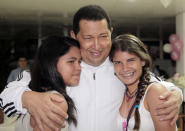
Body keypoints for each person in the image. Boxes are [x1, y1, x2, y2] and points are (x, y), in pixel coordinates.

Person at [0, 5, 182, 131]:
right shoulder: (60, 67)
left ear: (111, 32)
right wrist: (28, 98)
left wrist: (176, 94)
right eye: (88, 38)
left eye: (103, 36)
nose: (97, 45)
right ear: (74, 35)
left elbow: (156, 84)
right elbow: (5, 96)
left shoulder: (121, 66)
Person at [109, 34, 176, 131]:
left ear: (143, 61)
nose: (125, 68)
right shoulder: (120, 90)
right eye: (118, 62)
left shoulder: (154, 92)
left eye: (130, 60)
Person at [15, 36, 81, 131]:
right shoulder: (55, 101)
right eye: (71, 61)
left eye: (79, 61)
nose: (79, 67)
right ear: (51, 63)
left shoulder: (37, 92)